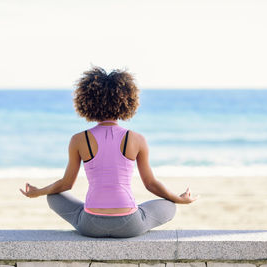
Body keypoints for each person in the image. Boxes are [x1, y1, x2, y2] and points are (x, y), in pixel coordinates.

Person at [20, 67, 198, 238]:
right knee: (170, 205)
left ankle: (87, 212)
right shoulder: (136, 139)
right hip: (129, 225)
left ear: (86, 101)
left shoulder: (78, 139)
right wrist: (179, 199)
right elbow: (151, 184)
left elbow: (66, 184)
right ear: (127, 100)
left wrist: (38, 192)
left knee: (53, 196)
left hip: (90, 225)